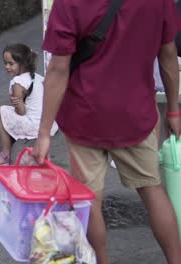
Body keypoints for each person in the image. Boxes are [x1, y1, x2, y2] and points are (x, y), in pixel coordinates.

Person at [32, 0, 181, 263]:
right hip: (137, 115)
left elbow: (58, 68)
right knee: (152, 189)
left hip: (84, 116)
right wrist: (173, 110)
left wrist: (44, 133)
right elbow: (167, 54)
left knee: (88, 202)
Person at [0, 44, 58, 168]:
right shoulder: (37, 76)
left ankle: (5, 154)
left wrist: (15, 102)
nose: (7, 67)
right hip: (49, 125)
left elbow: (21, 112)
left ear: (22, 63)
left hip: (35, 126)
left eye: (11, 63)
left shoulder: (17, 82)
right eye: (5, 63)